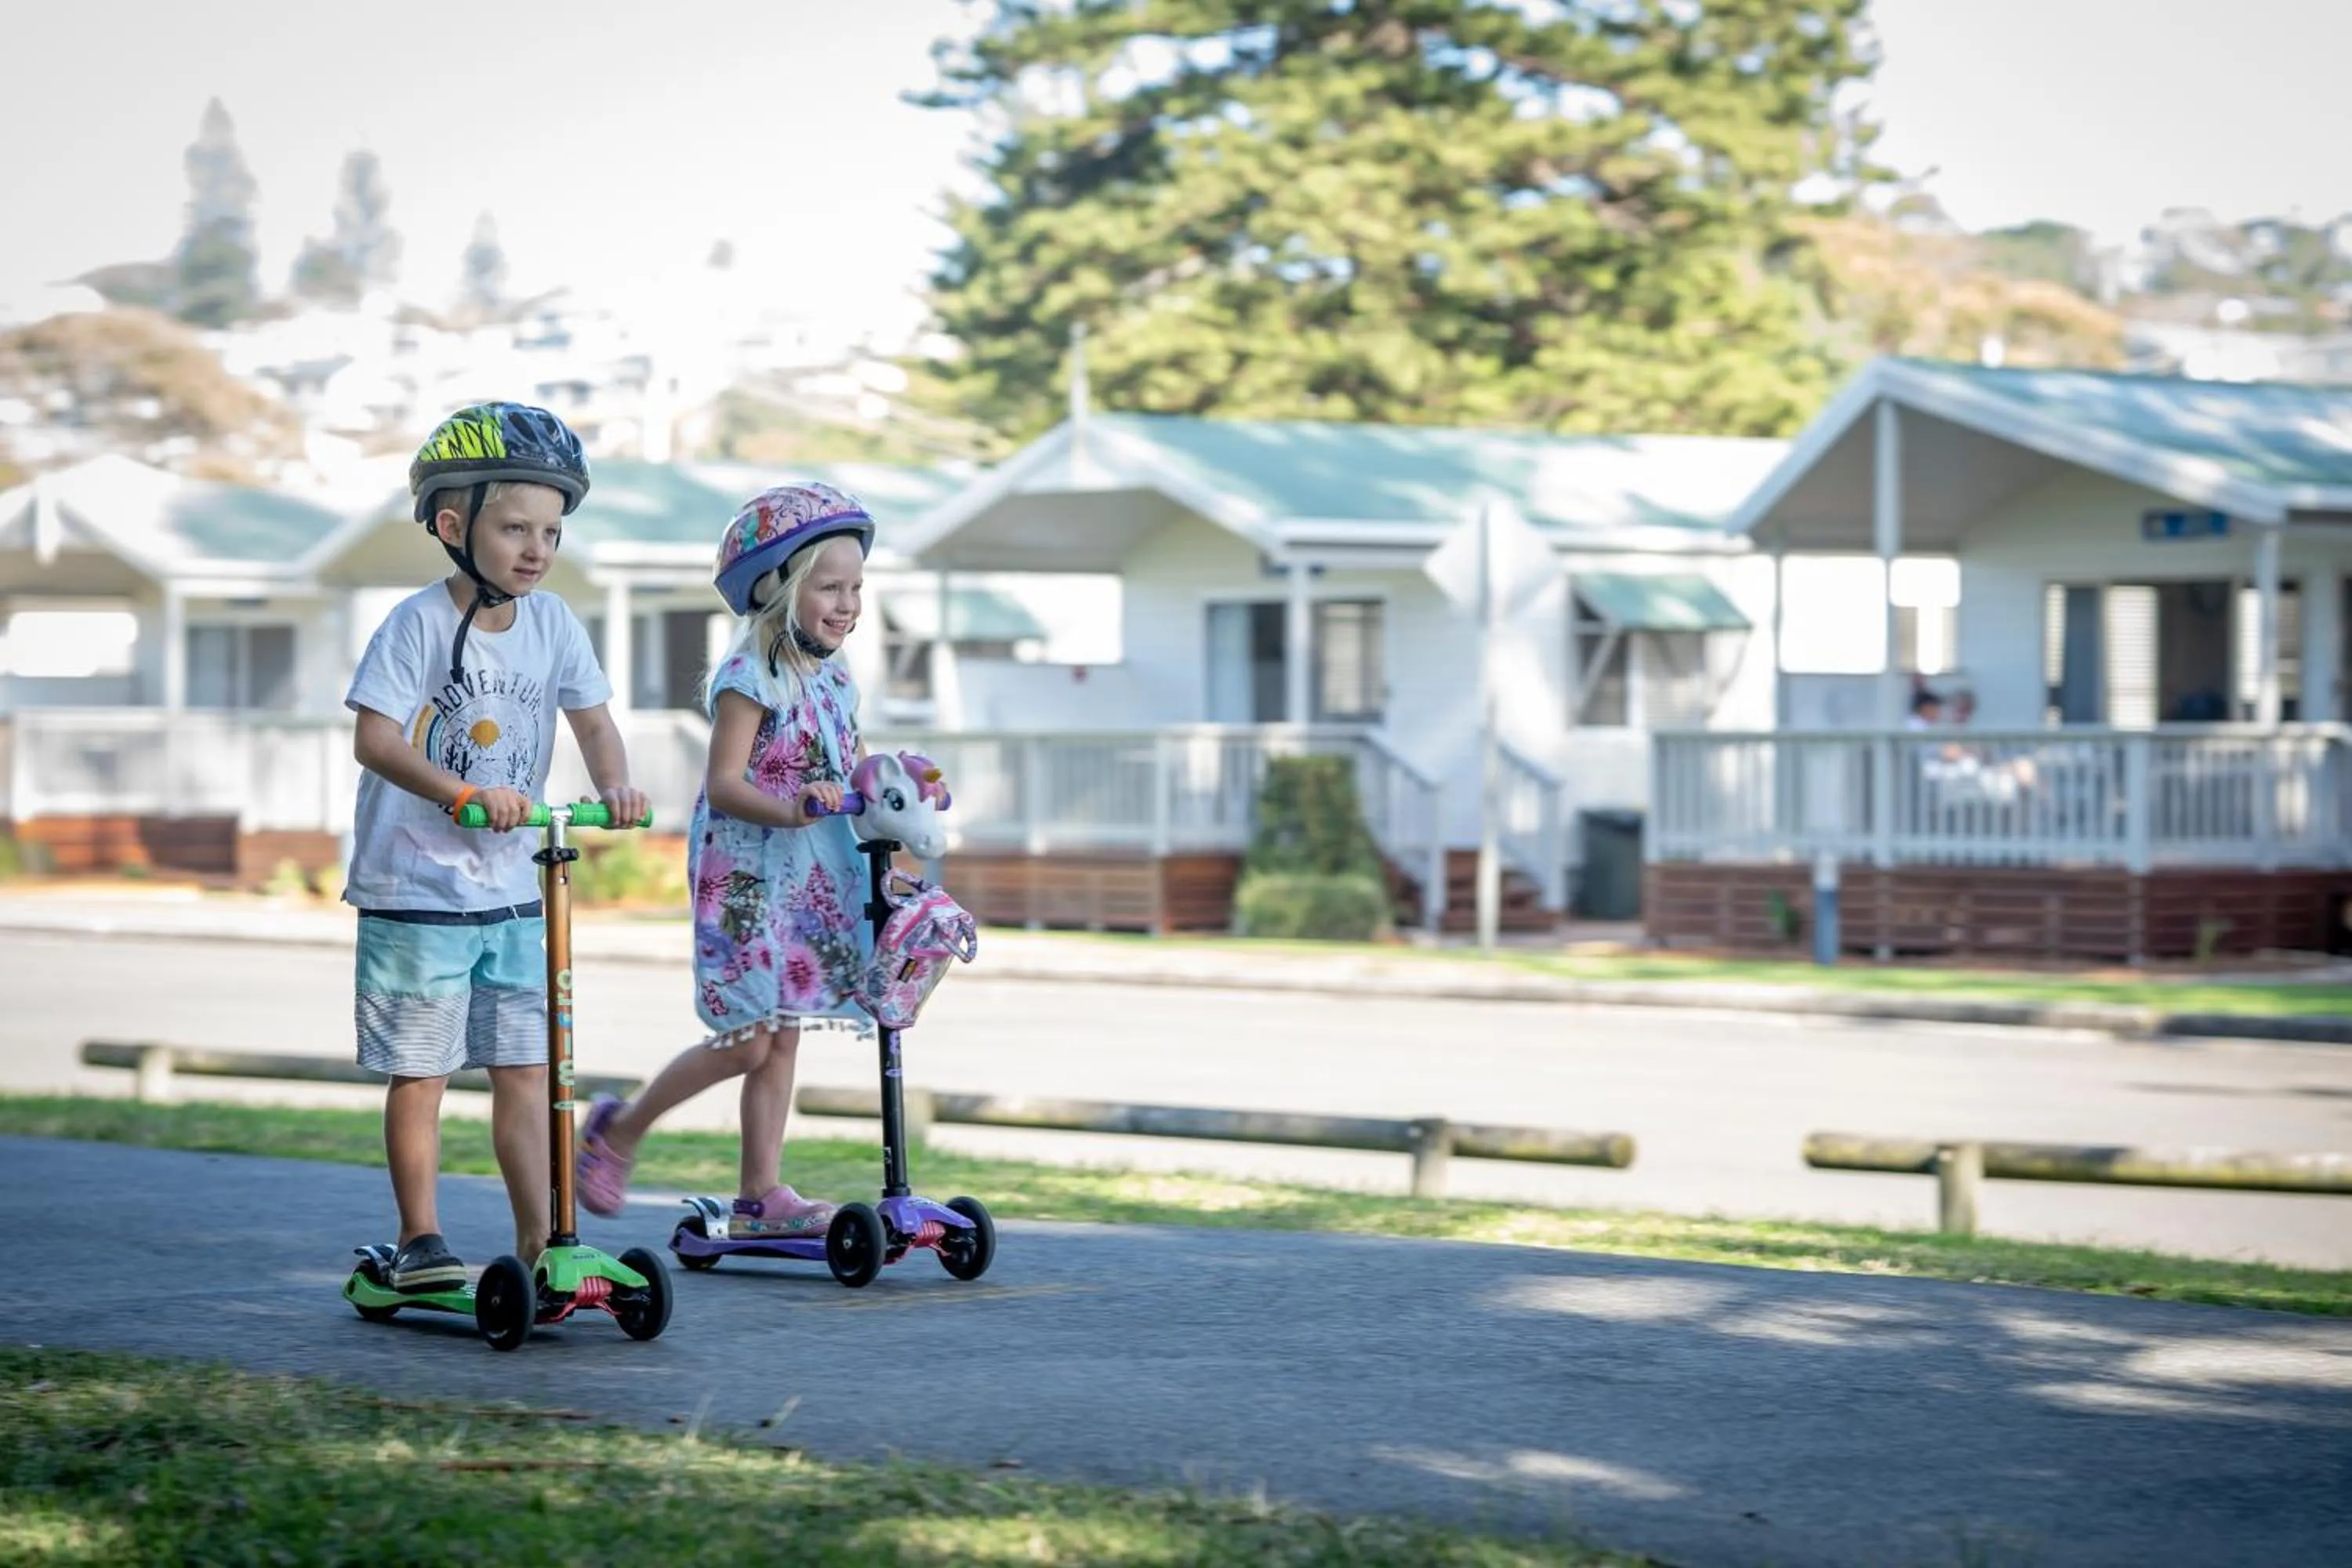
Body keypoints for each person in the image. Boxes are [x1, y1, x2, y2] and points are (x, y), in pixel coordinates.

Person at [344, 401, 648, 1294]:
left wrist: (616, 783)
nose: (536, 548)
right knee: (424, 1069)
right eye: (515, 526)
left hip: (516, 886)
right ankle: (421, 1239)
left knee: (527, 1068)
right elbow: (377, 740)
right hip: (416, 887)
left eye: (550, 530)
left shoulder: (554, 624)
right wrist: (465, 793)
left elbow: (593, 722)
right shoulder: (415, 624)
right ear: (452, 523)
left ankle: (541, 1241)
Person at [575, 481, 907, 1241]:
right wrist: (794, 805)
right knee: (750, 1035)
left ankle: (761, 1193)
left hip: (809, 870)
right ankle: (620, 1127)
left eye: (856, 586)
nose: (849, 602)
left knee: (782, 1032)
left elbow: (843, 766)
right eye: (830, 586)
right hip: (746, 875)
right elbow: (725, 783)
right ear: (780, 589)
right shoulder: (747, 675)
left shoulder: (836, 673)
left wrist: (890, 806)